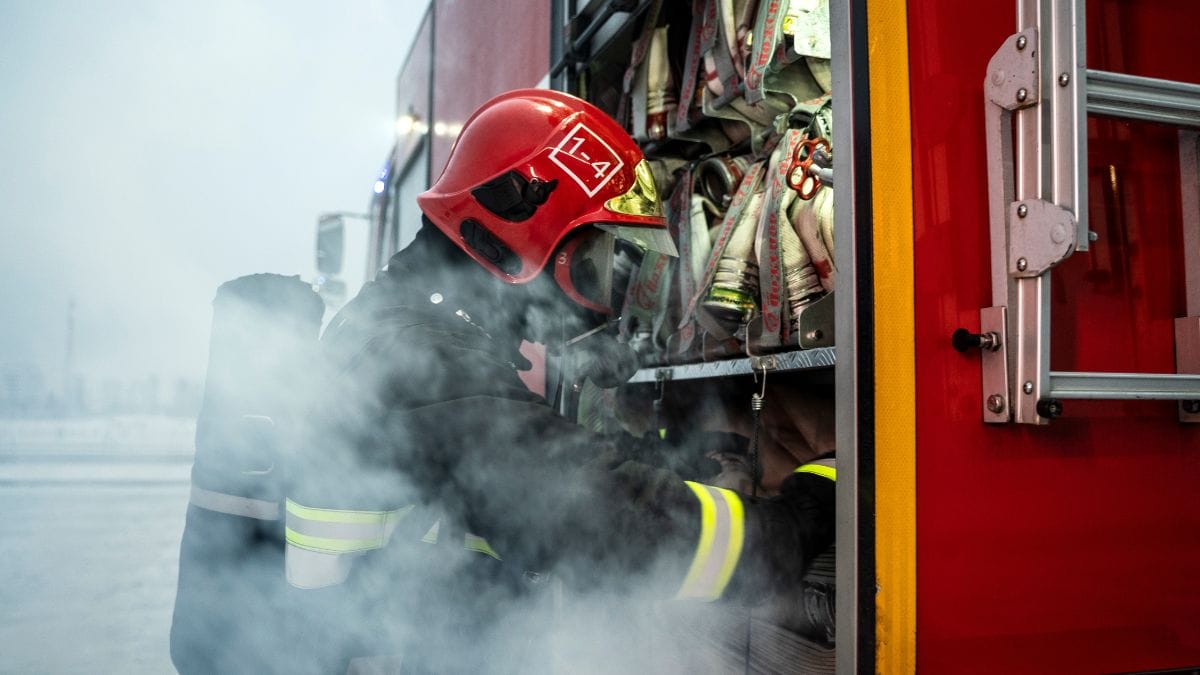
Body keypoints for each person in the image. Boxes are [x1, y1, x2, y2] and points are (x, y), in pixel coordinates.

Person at [284, 89, 836, 673]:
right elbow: (607, 528)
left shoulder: (407, 324)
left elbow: (508, 477)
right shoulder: (428, 358)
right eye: (597, 263)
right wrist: (803, 516)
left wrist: (663, 465)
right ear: (518, 231)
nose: (605, 302)